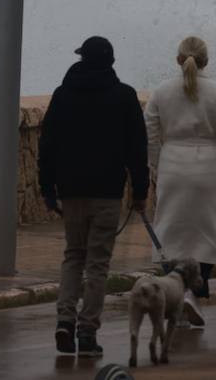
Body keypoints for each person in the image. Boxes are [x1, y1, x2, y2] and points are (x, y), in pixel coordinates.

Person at [38, 36, 150, 358]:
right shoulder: (125, 97)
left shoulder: (63, 95)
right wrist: (140, 193)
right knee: (97, 263)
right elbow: (136, 150)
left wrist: (48, 189)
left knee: (74, 255)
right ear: (111, 63)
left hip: (71, 191)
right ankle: (87, 331)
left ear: (82, 59)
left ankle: (64, 320)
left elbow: (48, 146)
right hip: (107, 193)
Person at [145, 35, 216, 327]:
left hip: (172, 166)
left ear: (179, 60)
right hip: (206, 167)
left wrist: (155, 168)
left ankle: (173, 297)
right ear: (206, 60)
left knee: (171, 232)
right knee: (204, 234)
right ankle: (193, 293)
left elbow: (150, 136)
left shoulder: (162, 93)